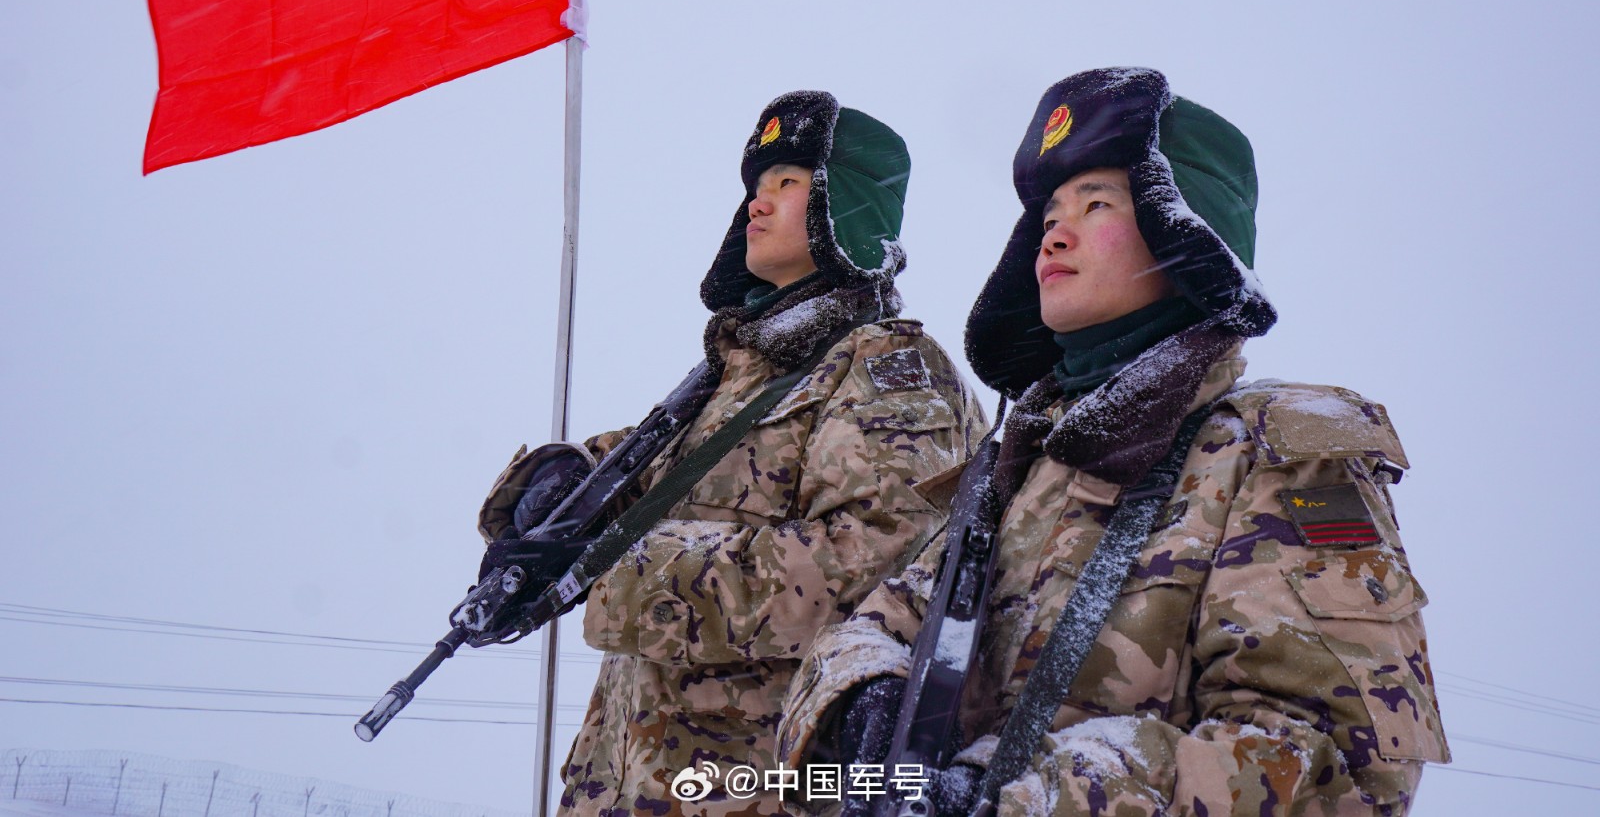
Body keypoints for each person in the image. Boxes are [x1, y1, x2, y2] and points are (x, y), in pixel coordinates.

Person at [779, 68, 1449, 816]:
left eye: (1096, 203)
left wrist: (1032, 800)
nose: (1054, 232)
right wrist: (865, 699)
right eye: (1049, 213)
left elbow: (1346, 770)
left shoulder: (1275, 453)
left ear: (1184, 231)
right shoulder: (1018, 464)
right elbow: (873, 624)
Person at [477, 91, 989, 817]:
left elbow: (876, 570)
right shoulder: (733, 375)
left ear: (845, 208)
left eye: (789, 182)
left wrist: (621, 570)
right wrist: (556, 489)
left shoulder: (885, 368)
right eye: (756, 184)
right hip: (625, 786)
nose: (758, 201)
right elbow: (649, 478)